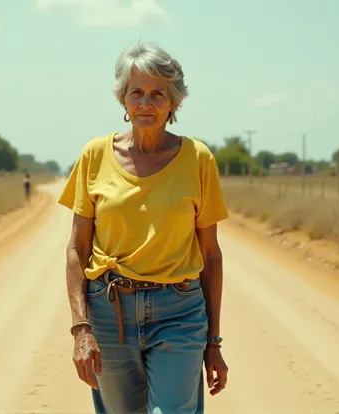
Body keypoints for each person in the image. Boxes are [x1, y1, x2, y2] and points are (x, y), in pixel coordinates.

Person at [57, 42, 229, 414]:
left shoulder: (198, 159)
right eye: (136, 92)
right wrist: (81, 329)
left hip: (179, 310)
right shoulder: (95, 155)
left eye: (157, 94)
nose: (146, 103)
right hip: (109, 310)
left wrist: (213, 342)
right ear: (123, 99)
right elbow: (77, 250)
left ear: (174, 103)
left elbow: (211, 255)